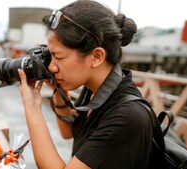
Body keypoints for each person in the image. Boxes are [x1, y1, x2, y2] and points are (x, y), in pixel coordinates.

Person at [17, 0, 153, 169]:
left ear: (96, 56)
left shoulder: (126, 116)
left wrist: (31, 106)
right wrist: (59, 91)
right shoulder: (97, 88)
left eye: (58, 57)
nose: (51, 66)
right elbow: (68, 132)